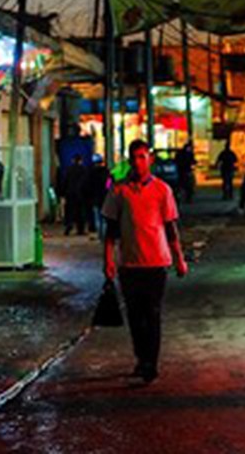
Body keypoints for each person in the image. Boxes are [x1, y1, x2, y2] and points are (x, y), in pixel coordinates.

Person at [102, 139, 189, 383]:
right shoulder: (119, 191)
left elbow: (171, 228)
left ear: (150, 159)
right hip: (129, 265)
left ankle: (151, 363)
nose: (139, 162)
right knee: (135, 316)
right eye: (135, 157)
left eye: (143, 157)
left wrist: (179, 259)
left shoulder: (162, 190)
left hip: (156, 263)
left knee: (152, 314)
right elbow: (110, 231)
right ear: (130, 160)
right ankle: (141, 357)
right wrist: (108, 260)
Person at [63, 154, 89, 236]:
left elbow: (65, 181)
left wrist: (63, 192)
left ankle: (68, 227)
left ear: (73, 160)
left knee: (70, 211)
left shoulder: (69, 170)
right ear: (80, 160)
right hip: (80, 194)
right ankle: (80, 229)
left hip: (70, 193)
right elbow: (85, 182)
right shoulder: (83, 170)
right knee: (80, 212)